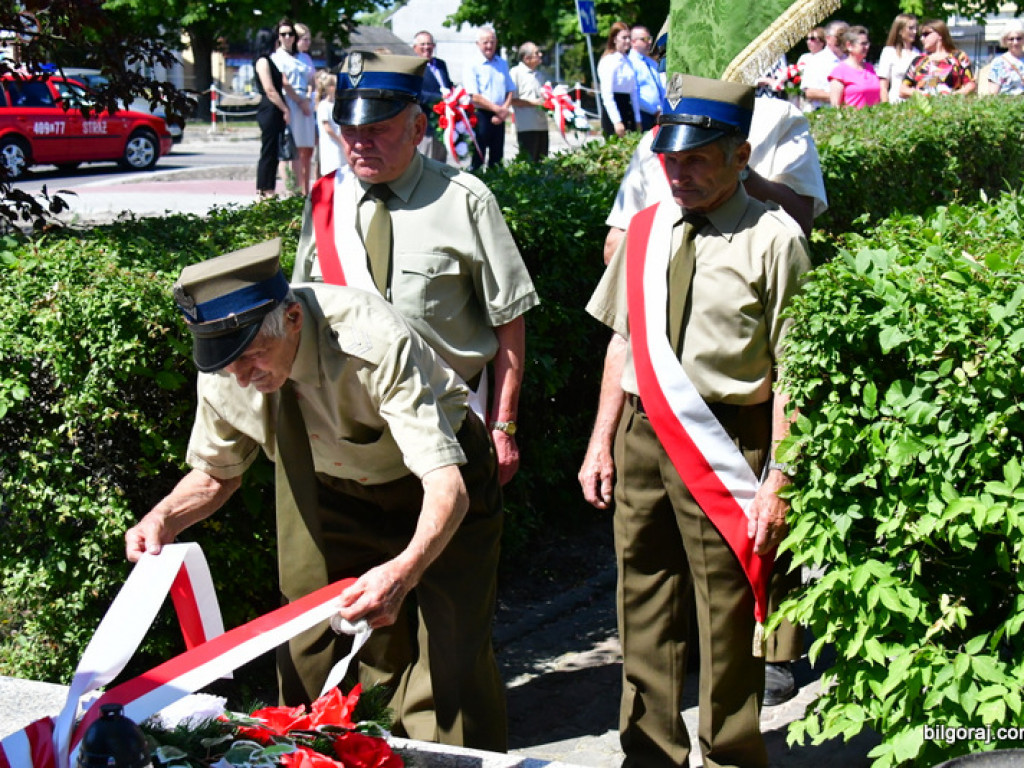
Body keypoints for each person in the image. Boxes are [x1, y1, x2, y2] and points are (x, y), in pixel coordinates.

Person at [125, 240, 507, 751]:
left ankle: (454, 759)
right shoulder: (228, 366)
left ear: (293, 319)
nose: (241, 376)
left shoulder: (369, 338)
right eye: (227, 362)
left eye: (252, 354)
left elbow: (446, 485)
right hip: (334, 488)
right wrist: (163, 518)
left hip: (438, 479)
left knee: (451, 657)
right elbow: (216, 474)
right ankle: (352, 753)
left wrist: (403, 571)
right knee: (319, 645)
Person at [291, 53, 539, 742]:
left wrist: (505, 424)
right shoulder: (325, 202)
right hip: (356, 457)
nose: (359, 143)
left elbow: (509, 321)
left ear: (419, 126)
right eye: (349, 130)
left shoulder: (465, 200)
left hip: (450, 443)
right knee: (370, 636)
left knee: (451, 644)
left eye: (377, 129)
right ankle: (386, 750)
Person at [579, 73, 812, 768]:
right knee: (642, 596)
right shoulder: (647, 229)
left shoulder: (775, 239)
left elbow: (795, 372)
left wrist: (780, 476)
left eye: (696, 160)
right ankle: (649, 753)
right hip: (643, 433)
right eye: (669, 159)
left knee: (726, 609)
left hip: (727, 440)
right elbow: (622, 341)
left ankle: (729, 755)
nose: (677, 174)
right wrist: (600, 442)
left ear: (740, 156)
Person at [272, 18, 316, 194]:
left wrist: (308, 98)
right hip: (291, 101)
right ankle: (292, 188)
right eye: (284, 34)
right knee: (290, 147)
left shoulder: (304, 58)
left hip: (306, 101)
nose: (288, 37)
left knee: (306, 148)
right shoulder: (277, 57)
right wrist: (299, 101)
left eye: (291, 34)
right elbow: (284, 82)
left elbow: (311, 79)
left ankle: (305, 189)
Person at [463, 27, 515, 170]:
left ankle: (497, 182)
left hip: (500, 115)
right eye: (485, 42)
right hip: (480, 115)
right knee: (478, 157)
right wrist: (499, 110)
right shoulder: (472, 64)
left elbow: (510, 89)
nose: (489, 46)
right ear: (478, 44)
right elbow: (474, 96)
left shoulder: (502, 63)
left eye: (492, 42)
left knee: (497, 158)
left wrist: (503, 110)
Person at [253, 28, 292, 199]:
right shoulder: (262, 61)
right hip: (269, 109)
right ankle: (264, 189)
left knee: (274, 150)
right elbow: (269, 89)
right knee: (268, 150)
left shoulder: (270, 60)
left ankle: (269, 187)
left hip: (274, 109)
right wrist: (285, 108)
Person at [901, 19, 976, 98]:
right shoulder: (919, 61)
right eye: (921, 35)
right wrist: (923, 94)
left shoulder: (959, 57)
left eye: (926, 34)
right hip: (923, 104)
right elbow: (903, 90)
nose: (922, 38)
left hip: (951, 103)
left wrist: (952, 96)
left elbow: (971, 85)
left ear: (940, 34)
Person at [413, 30, 452, 162]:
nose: (427, 47)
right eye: (423, 44)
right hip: (426, 126)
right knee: (425, 163)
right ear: (415, 48)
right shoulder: (414, 67)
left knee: (441, 164)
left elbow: (447, 85)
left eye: (429, 44)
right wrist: (440, 99)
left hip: (444, 125)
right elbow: (417, 93)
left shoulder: (441, 65)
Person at [598, 21, 641, 137]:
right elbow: (607, 94)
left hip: (627, 108)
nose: (627, 41)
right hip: (614, 110)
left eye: (629, 37)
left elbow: (634, 92)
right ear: (614, 39)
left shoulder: (628, 61)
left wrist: (637, 119)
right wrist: (617, 121)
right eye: (624, 38)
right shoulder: (609, 61)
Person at [509, 42, 549, 162]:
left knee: (542, 161)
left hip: (542, 125)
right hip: (526, 126)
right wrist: (534, 103)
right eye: (537, 53)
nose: (540, 55)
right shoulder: (515, 73)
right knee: (528, 161)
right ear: (526, 58)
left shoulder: (540, 75)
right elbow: (512, 100)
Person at [829, 26, 883, 108]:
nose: (867, 47)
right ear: (849, 46)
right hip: (852, 115)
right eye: (863, 44)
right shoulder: (840, 72)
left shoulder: (870, 68)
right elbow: (835, 106)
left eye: (867, 43)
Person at [801, 19, 849, 110]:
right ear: (828, 38)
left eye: (847, 36)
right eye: (840, 36)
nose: (843, 39)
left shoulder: (851, 60)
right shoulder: (816, 60)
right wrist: (841, 97)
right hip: (823, 111)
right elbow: (810, 92)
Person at [877, 13, 920, 103]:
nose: (915, 32)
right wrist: (886, 105)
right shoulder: (889, 52)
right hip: (896, 101)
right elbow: (883, 86)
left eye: (916, 28)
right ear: (900, 30)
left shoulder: (918, 53)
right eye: (911, 28)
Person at [629, 25, 664, 130]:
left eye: (650, 38)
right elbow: (634, 94)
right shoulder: (630, 63)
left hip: (660, 115)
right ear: (633, 42)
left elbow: (661, 87)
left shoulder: (652, 63)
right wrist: (654, 111)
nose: (649, 42)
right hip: (643, 115)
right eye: (644, 39)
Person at [314, 70, 344, 177]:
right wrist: (340, 139)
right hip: (331, 144)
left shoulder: (337, 104)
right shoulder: (324, 105)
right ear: (330, 87)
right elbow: (327, 127)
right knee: (332, 169)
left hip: (340, 143)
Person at [986, 20, 1024, 95]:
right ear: (1005, 40)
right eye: (1011, 39)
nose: (1015, 42)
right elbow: (993, 93)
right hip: (1008, 101)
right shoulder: (998, 63)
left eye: (1019, 38)